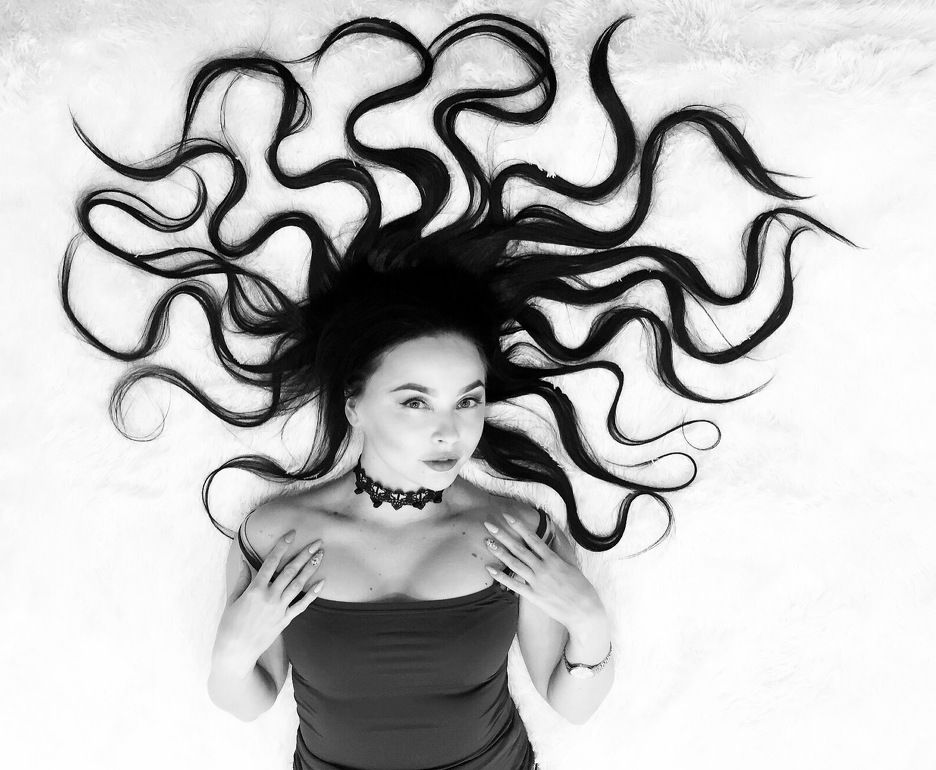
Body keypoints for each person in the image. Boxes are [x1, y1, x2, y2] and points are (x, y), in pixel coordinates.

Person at [60, 11, 856, 770]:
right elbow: (248, 699)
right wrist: (235, 644)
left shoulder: (515, 532)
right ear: (353, 403)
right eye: (416, 401)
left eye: (468, 399)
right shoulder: (277, 532)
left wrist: (585, 615)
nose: (452, 428)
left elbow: (572, 701)